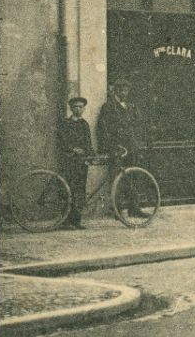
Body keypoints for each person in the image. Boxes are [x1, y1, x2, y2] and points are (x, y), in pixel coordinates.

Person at [57, 95, 94, 229]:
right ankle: (65, 221)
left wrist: (91, 155)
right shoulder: (65, 123)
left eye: (80, 107)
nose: (78, 109)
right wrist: (72, 149)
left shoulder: (84, 124)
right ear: (71, 108)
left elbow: (88, 143)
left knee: (80, 191)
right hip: (69, 161)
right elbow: (61, 141)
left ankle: (76, 220)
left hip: (81, 163)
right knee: (68, 190)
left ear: (84, 109)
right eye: (75, 107)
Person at [98, 78, 141, 163]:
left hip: (131, 143)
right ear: (115, 91)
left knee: (132, 169)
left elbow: (138, 122)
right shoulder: (108, 106)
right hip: (117, 144)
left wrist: (136, 139)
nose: (123, 93)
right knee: (117, 170)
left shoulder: (132, 106)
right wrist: (111, 145)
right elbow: (104, 127)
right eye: (120, 90)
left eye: (126, 90)